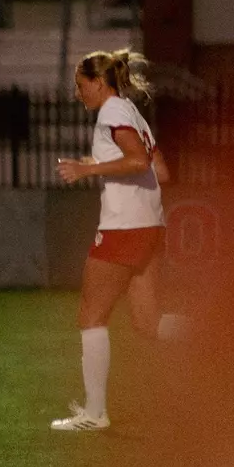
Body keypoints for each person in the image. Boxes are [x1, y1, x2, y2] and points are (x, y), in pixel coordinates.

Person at [51, 49, 170, 432]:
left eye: (80, 85)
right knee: (148, 323)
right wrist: (97, 164)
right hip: (151, 225)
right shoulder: (133, 113)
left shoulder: (112, 112)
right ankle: (223, 334)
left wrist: (87, 170)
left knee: (91, 317)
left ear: (99, 83)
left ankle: (94, 413)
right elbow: (161, 171)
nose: (77, 93)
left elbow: (138, 163)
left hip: (124, 228)